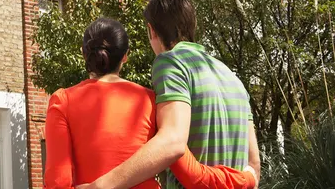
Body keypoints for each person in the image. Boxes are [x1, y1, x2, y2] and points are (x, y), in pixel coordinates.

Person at [45, 17, 257, 189]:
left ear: (84, 54)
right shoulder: (151, 101)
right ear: (125, 56)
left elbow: (58, 183)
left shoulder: (62, 100)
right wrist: (247, 178)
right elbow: (193, 175)